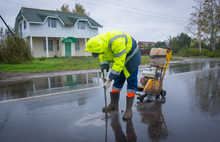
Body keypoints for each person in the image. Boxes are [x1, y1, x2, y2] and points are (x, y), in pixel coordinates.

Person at [85, 30, 141, 119]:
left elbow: (119, 62)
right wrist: (104, 71)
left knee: (131, 80)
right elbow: (103, 57)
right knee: (118, 79)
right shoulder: (101, 44)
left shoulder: (117, 42)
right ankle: (114, 104)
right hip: (121, 57)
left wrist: (109, 79)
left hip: (131, 57)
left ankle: (129, 109)